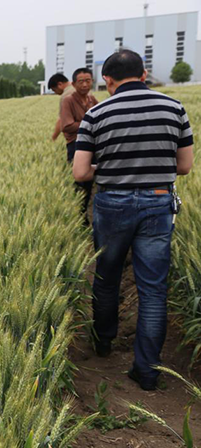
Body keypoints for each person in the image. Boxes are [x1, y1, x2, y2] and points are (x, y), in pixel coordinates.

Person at [73, 49, 194, 391]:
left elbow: (81, 172)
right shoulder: (174, 108)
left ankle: (103, 343)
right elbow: (184, 166)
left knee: (107, 276)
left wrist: (109, 167)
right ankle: (148, 371)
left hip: (113, 203)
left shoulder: (96, 113)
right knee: (153, 289)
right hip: (158, 201)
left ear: (107, 80)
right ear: (144, 75)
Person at [62, 68, 99, 216]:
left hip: (92, 146)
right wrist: (90, 125)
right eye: (81, 81)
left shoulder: (92, 100)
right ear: (73, 84)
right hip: (76, 146)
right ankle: (77, 215)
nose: (85, 84)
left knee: (89, 183)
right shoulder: (68, 101)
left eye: (88, 81)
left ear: (92, 81)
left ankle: (84, 215)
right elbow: (67, 126)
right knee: (79, 184)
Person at [47, 73, 73, 141]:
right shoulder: (80, 88)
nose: (55, 93)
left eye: (54, 90)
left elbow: (62, 120)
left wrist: (53, 138)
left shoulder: (66, 96)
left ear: (60, 84)